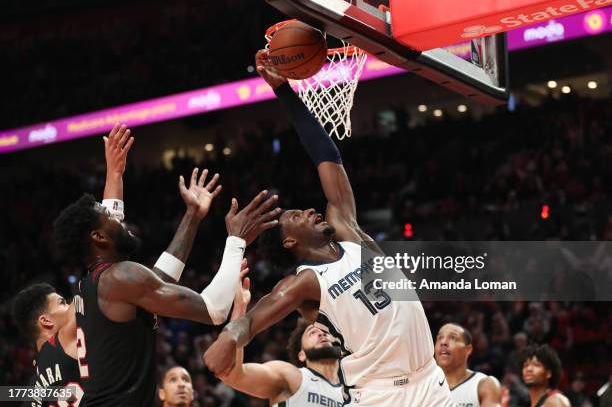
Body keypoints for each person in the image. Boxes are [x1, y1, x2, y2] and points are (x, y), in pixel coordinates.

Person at [204, 49, 453, 407]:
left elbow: (327, 156)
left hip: (431, 382)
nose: (309, 210)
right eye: (296, 215)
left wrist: (283, 91)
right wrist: (228, 338)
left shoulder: (348, 232)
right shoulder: (304, 283)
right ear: (289, 241)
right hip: (382, 396)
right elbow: (256, 319)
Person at [53, 148, 279, 405]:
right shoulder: (117, 278)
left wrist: (192, 216)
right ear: (99, 237)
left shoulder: (92, 283)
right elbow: (213, 309)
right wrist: (236, 240)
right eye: (110, 218)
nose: (120, 221)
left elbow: (160, 279)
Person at [11, 123, 134, 406]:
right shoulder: (64, 339)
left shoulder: (32, 389)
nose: (71, 306)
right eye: (62, 304)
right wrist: (114, 175)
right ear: (46, 321)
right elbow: (109, 256)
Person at [219, 274, 343, 406]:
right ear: (302, 354)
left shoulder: (355, 389)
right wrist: (240, 308)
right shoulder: (291, 376)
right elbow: (232, 375)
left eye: (324, 332)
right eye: (312, 333)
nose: (321, 334)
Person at [435, 323, 502, 407]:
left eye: (453, 338)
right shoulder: (424, 385)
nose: (443, 342)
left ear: (468, 349)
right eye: (440, 338)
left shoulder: (484, 384)